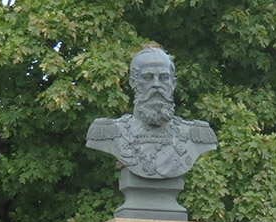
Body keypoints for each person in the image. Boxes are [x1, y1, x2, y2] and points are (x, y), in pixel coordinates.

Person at [86, 45, 217, 180]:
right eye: (148, 77)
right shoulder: (110, 132)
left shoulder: (194, 134)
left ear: (173, 84)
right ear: (133, 83)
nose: (156, 84)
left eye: (164, 78)